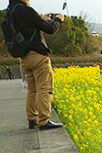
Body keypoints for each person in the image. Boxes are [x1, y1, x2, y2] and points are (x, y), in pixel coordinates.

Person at [8, 0, 64, 130]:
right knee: (44, 87)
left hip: (24, 57)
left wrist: (41, 18)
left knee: (32, 89)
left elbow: (28, 26)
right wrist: (58, 20)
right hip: (38, 55)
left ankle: (32, 119)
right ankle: (44, 120)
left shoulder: (10, 13)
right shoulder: (26, 10)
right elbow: (50, 29)